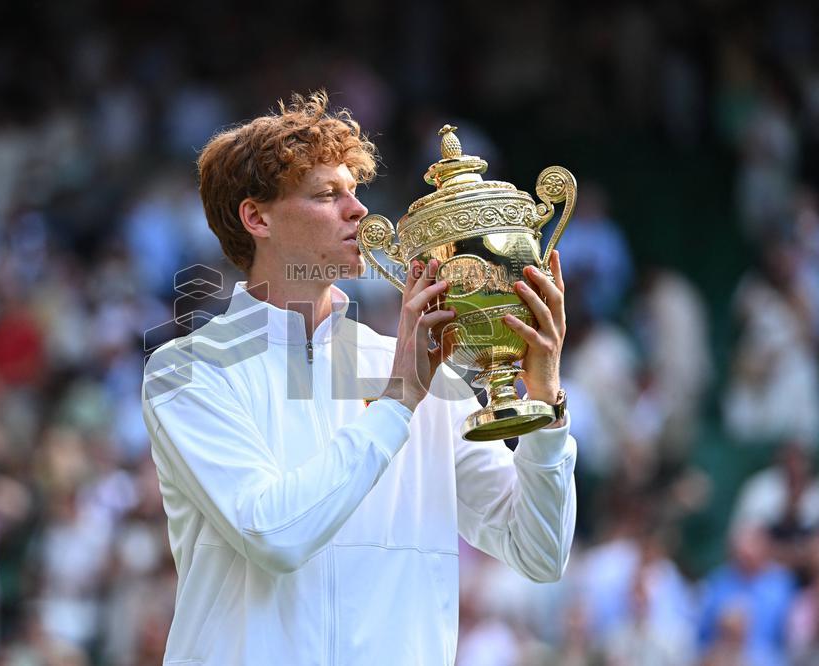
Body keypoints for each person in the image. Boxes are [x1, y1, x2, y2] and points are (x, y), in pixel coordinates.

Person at [142, 91, 577, 664]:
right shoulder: (188, 371)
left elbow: (540, 552)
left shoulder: (423, 375)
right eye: (327, 194)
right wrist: (397, 402)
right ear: (257, 217)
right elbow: (275, 534)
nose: (358, 211)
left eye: (355, 192)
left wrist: (543, 405)